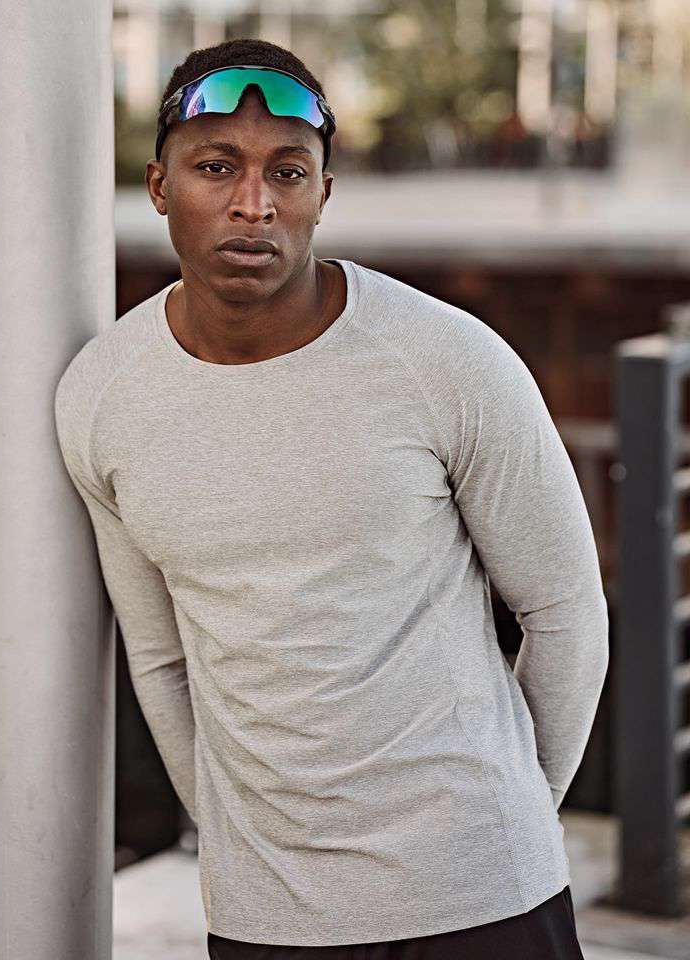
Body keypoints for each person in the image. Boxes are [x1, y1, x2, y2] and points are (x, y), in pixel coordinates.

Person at [54, 37, 607, 960]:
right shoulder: (102, 395)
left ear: (323, 194)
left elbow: (565, 611)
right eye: (216, 167)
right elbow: (160, 660)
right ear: (159, 187)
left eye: (288, 172)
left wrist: (510, 826)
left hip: (486, 897)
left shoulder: (446, 359)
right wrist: (242, 849)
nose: (254, 203)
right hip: (266, 918)